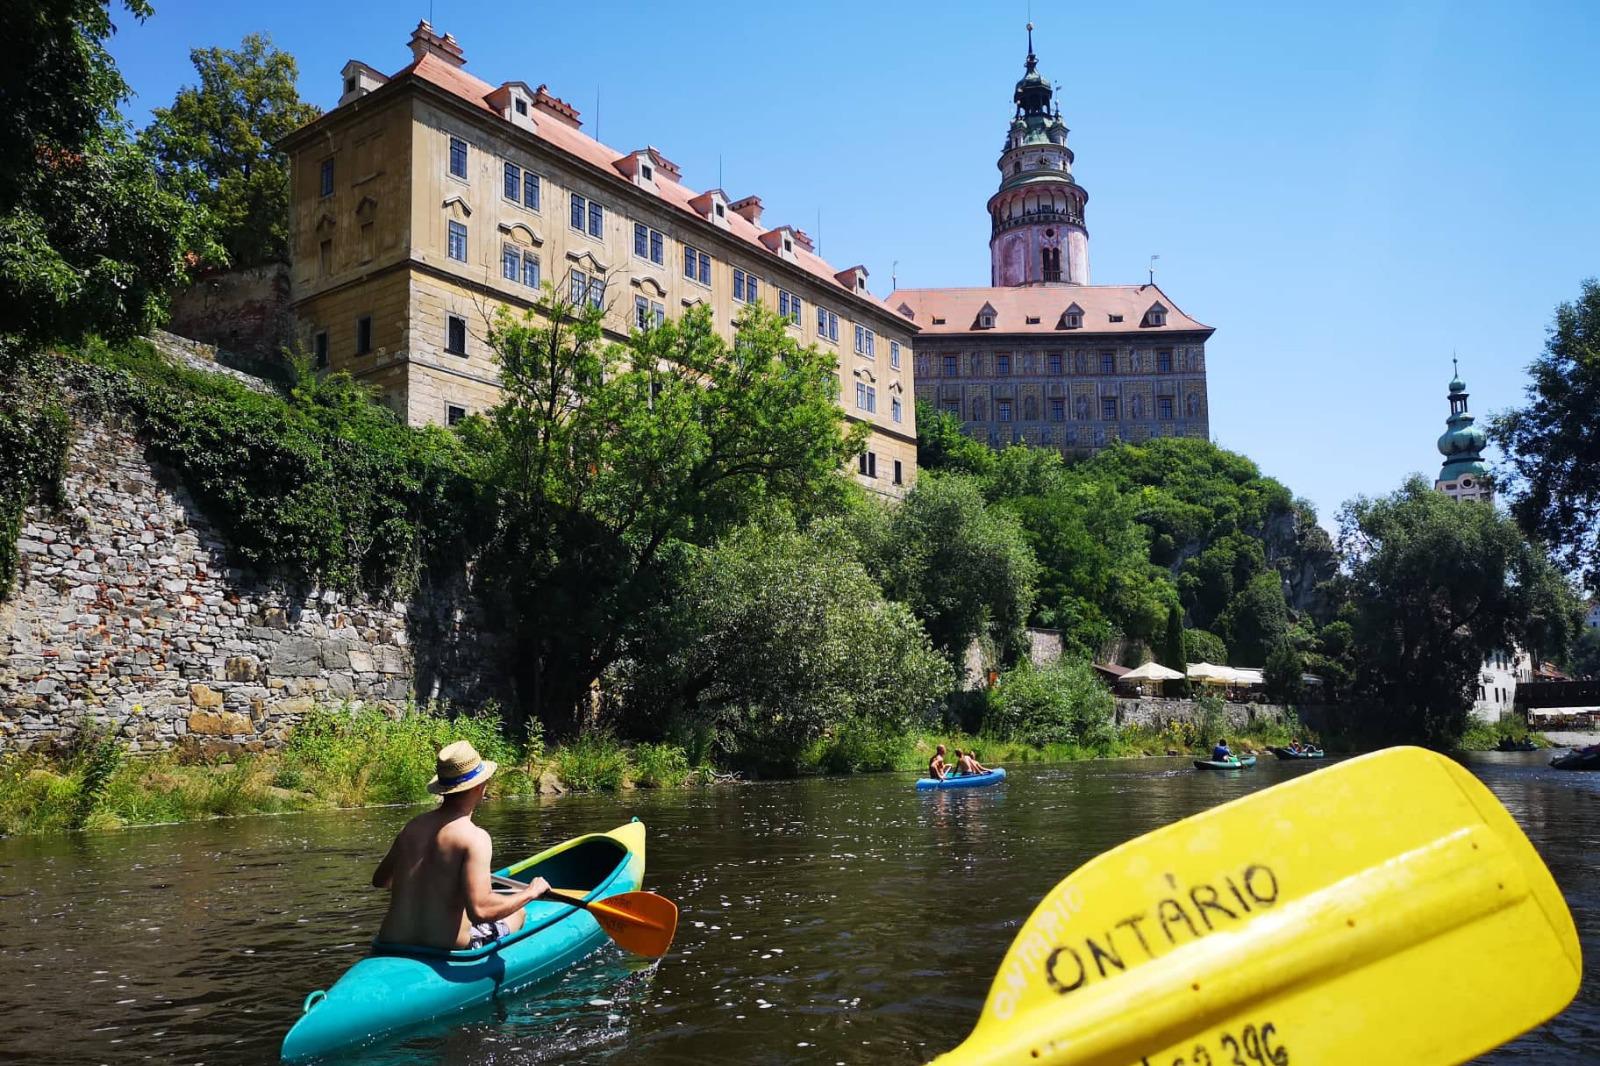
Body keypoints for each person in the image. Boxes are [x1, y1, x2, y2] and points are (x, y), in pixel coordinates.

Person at [371, 740, 550, 951]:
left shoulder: (412, 827)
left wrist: (427, 879)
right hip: (447, 947)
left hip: (391, 942)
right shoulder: (474, 837)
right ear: (480, 786)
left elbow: (381, 880)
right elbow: (480, 911)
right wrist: (531, 892)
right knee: (518, 914)